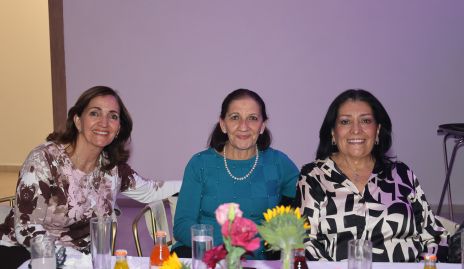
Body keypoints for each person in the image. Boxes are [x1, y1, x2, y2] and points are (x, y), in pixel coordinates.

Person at [0, 86, 179, 268]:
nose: (104, 122)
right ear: (78, 121)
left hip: (80, 261)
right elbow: (27, 228)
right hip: (24, 254)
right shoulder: (44, 160)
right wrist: (70, 259)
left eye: (113, 116)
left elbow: (150, 190)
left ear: (118, 129)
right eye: (95, 113)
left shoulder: (111, 168)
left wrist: (197, 183)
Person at [295, 89, 449, 262]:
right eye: (345, 122)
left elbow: (434, 236)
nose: (356, 130)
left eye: (365, 121)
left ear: (377, 131)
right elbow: (306, 242)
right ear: (332, 132)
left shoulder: (401, 174)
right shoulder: (314, 176)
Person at [172, 89, 299, 259]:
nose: (243, 126)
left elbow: (306, 210)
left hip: (259, 260)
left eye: (252, 118)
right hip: (206, 256)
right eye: (235, 117)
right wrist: (226, 249)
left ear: (262, 126)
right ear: (223, 124)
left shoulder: (278, 163)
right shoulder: (200, 164)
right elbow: (182, 225)